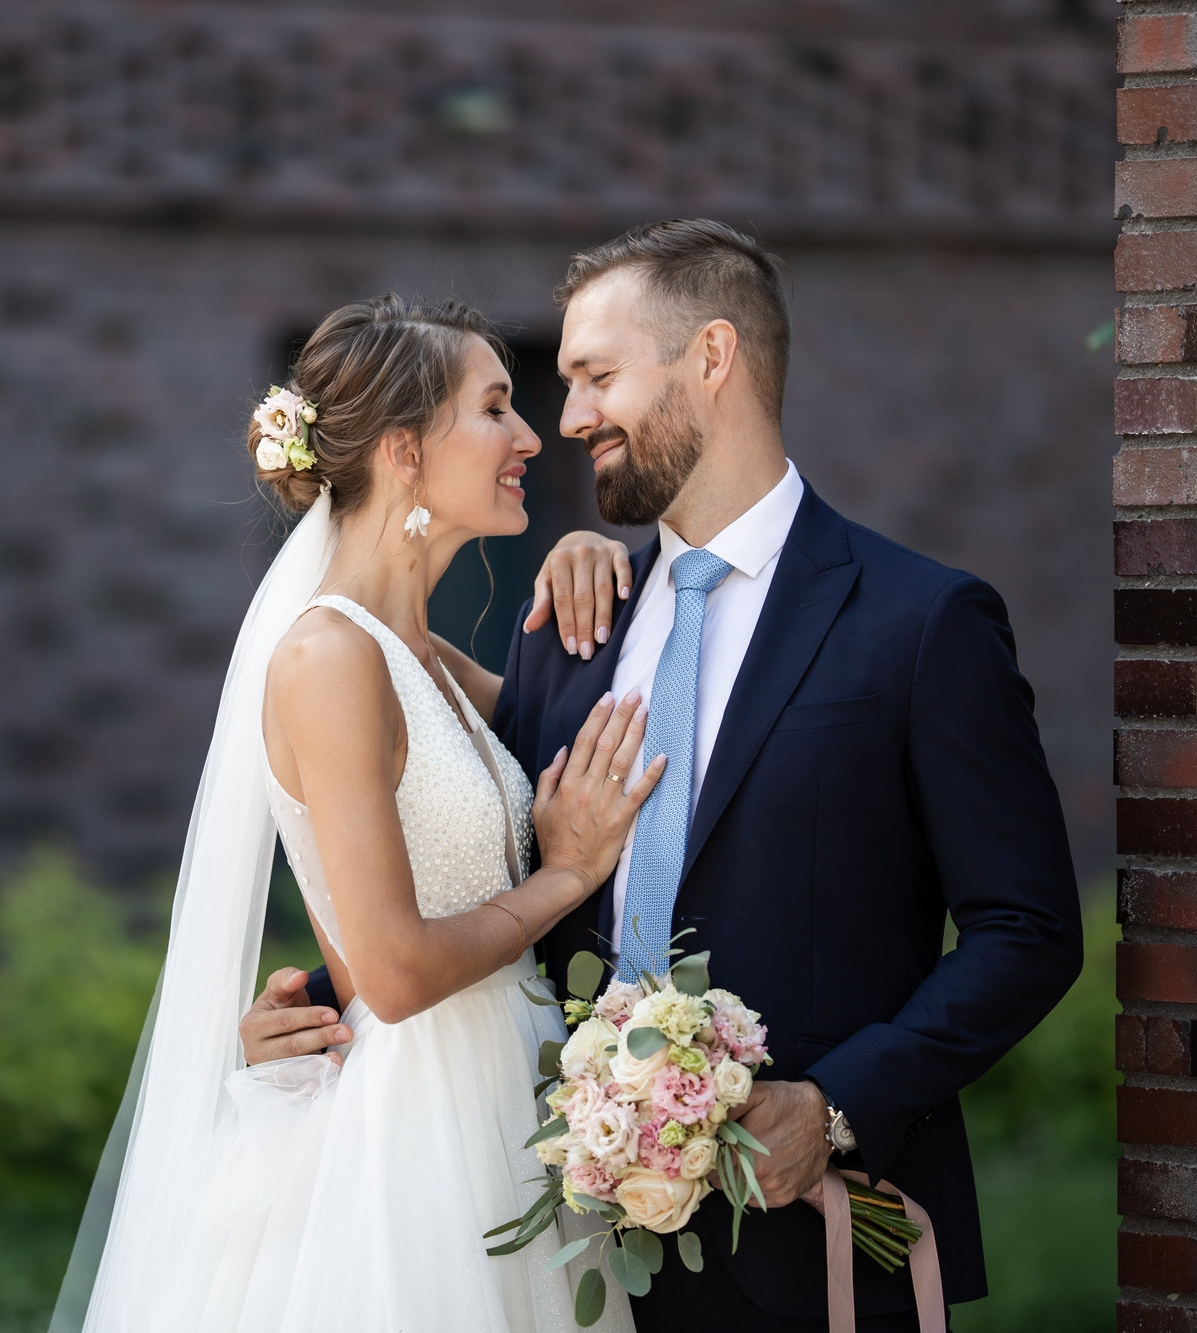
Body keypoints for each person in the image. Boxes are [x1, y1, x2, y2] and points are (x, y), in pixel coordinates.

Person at [240, 219, 1085, 1330]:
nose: (567, 417)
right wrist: (318, 1011)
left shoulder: (921, 624)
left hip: (811, 1235)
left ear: (711, 357)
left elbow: (1026, 932)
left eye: (592, 376)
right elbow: (451, 843)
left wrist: (831, 1107)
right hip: (547, 1232)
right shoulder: (573, 622)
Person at [58, 295, 659, 1332]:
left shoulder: (420, 657)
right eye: (494, 407)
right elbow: (390, 967)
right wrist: (565, 873)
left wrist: (589, 557)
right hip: (419, 1128)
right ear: (403, 452)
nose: (529, 436)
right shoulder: (326, 657)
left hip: (502, 1088)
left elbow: (553, 709)